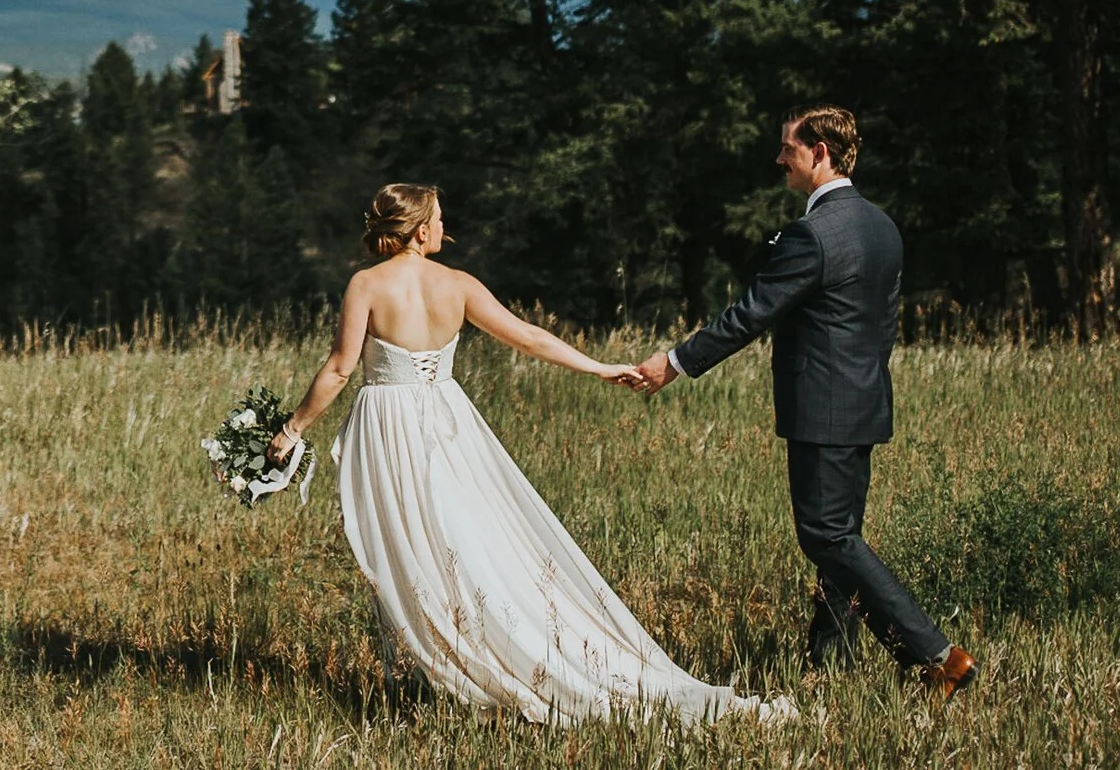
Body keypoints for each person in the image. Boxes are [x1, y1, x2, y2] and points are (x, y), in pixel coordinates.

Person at [267, 184, 790, 725]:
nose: (445, 227)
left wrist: (292, 428)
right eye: (439, 219)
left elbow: (340, 369)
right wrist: (600, 367)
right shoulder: (458, 286)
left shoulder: (366, 285)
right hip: (447, 424)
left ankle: (444, 669)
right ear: (420, 231)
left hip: (388, 427)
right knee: (462, 537)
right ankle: (453, 666)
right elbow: (530, 338)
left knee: (411, 545)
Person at [629, 105, 977, 697]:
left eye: (788, 149)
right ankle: (829, 662)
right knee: (841, 538)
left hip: (822, 410)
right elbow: (884, 326)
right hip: (865, 403)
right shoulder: (883, 227)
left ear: (820, 153)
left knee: (826, 536)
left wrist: (676, 362)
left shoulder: (810, 234)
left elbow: (751, 313)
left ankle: (937, 657)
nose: (779, 160)